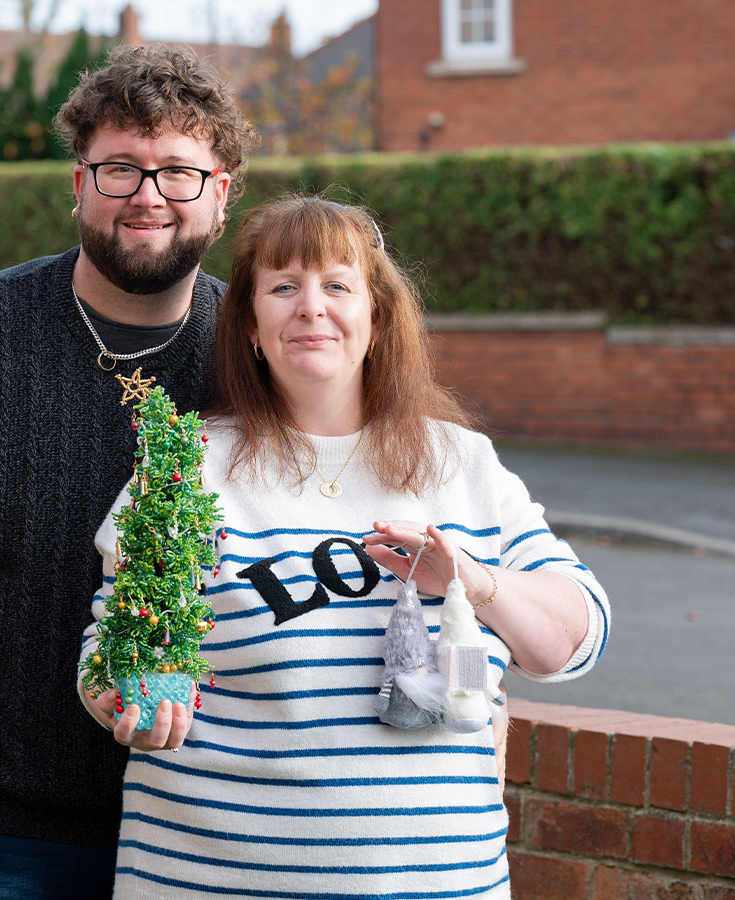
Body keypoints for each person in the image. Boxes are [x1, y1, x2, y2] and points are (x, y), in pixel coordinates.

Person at [80, 196, 611, 898]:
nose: (310, 307)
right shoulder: (188, 464)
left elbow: (573, 643)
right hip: (212, 879)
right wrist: (129, 699)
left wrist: (477, 583)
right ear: (248, 327)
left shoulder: (463, 465)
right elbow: (109, 651)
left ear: (377, 319)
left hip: (440, 882)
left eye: (338, 285)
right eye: (282, 287)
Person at [0, 44, 258, 899]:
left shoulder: (258, 354)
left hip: (211, 814)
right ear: (77, 186)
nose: (147, 196)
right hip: (7, 821)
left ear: (221, 192)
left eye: (178, 171)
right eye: (118, 169)